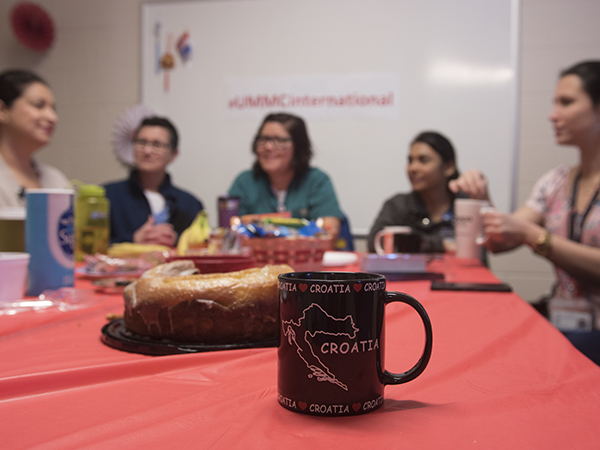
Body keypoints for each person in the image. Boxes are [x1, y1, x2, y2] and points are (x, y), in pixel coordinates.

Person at [471, 61, 600, 364]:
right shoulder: (554, 182)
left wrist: (536, 237)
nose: (552, 115)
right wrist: (481, 200)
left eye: (566, 102)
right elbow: (500, 240)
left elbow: (526, 232)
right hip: (565, 327)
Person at [228, 112, 344, 241]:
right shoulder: (245, 182)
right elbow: (230, 233)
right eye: (263, 139)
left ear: (298, 146)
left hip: (303, 258)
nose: (268, 147)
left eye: (280, 140)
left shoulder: (317, 181)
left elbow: (330, 231)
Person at [367, 131, 489, 253]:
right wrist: (440, 245)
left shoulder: (467, 205)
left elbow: (480, 253)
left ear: (448, 167)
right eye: (410, 160)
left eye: (423, 160)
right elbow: (375, 242)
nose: (413, 168)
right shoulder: (398, 205)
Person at [104, 116, 203, 246]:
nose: (147, 151)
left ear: (173, 154)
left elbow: (202, 246)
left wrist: (177, 241)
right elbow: (86, 247)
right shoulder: (106, 196)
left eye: (157, 145)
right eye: (141, 142)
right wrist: (132, 240)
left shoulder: (190, 204)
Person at [0, 69, 70, 207]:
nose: (52, 117)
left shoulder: (56, 180)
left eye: (53, 109)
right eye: (38, 105)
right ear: (2, 111)